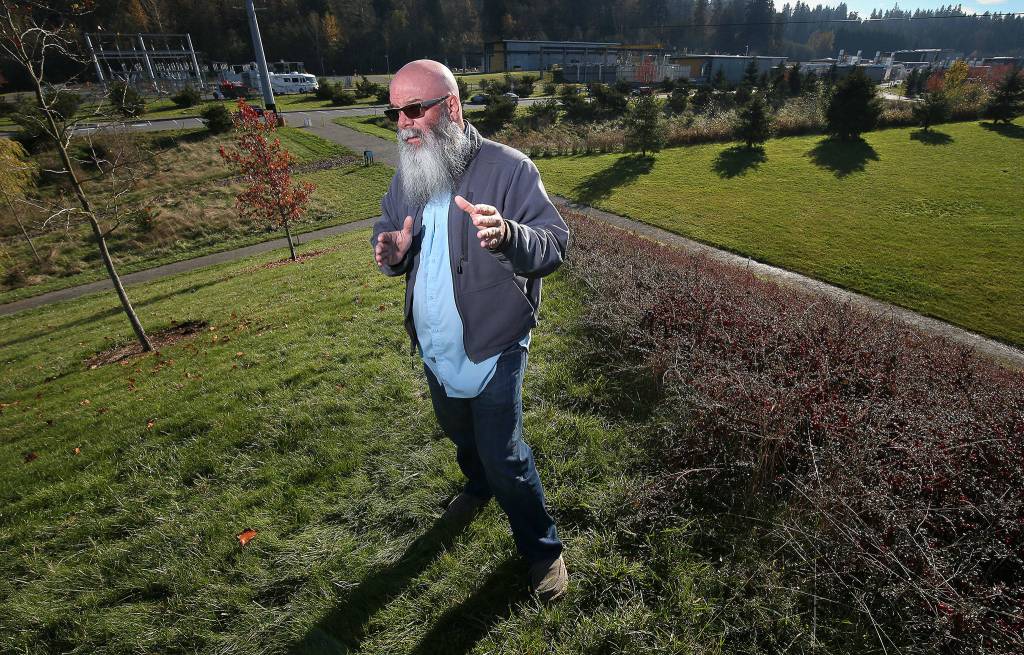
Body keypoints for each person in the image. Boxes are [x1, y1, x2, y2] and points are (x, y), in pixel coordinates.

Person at [370, 60, 570, 603]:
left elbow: (554, 244)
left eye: (415, 109)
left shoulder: (508, 169)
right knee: (460, 434)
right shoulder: (409, 172)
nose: (405, 124)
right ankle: (476, 486)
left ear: (451, 107)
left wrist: (507, 234)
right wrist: (389, 252)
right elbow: (386, 231)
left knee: (504, 455)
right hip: (434, 346)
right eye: (395, 113)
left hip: (494, 344)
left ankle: (543, 551)